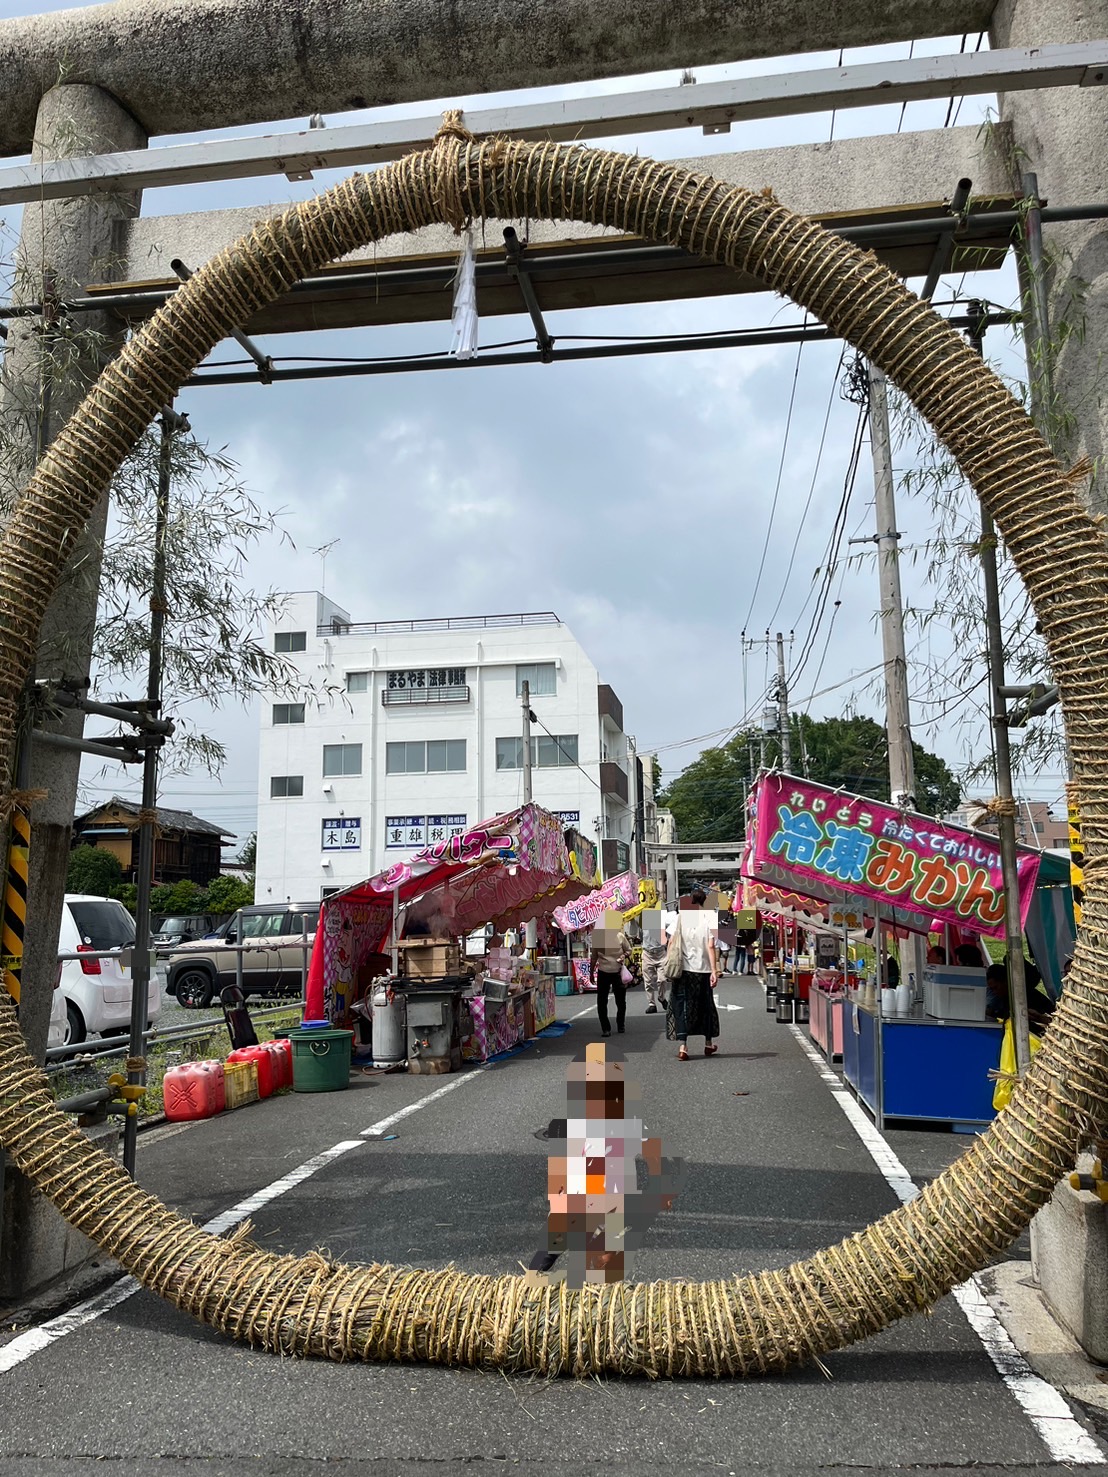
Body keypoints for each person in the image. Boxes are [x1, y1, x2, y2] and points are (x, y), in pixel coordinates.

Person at [664, 888, 721, 1060]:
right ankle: (708, 1044)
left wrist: (668, 962)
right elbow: (711, 946)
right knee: (705, 1005)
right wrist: (714, 970)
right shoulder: (710, 917)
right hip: (702, 971)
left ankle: (683, 1047)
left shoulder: (681, 916)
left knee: (682, 1006)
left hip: (683, 970)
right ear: (705, 901)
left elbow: (671, 941)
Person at [986, 960, 1056, 1030]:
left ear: (1005, 982)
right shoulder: (1006, 998)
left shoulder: (1026, 996)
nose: (994, 992)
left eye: (996, 988)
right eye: (991, 989)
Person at [590, 925, 630, 1037]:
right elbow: (594, 957)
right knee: (604, 1001)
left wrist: (624, 955)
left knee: (618, 1001)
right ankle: (607, 1028)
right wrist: (591, 972)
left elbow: (629, 950)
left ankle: (618, 1025)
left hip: (617, 972)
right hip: (604, 972)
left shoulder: (620, 936)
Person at [640, 921, 668, 1014]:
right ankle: (652, 1004)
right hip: (648, 953)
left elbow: (669, 934)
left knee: (662, 979)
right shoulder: (643, 920)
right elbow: (639, 935)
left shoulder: (663, 919)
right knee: (648, 981)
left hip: (661, 953)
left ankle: (661, 998)